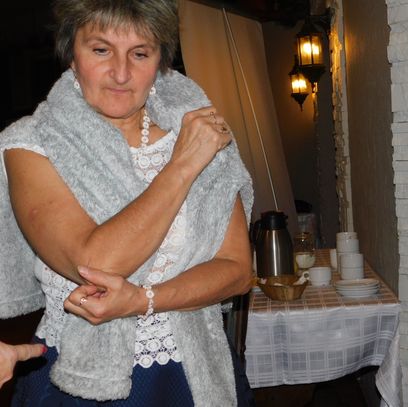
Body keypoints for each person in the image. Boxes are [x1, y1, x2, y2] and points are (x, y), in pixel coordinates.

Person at [0, 0, 254, 406]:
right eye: (101, 50)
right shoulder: (31, 143)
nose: (121, 73)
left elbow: (237, 270)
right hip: (79, 379)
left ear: (161, 62)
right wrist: (182, 166)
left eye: (140, 53)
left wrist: (143, 300)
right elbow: (96, 262)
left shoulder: (200, 132)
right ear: (71, 54)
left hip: (197, 372)